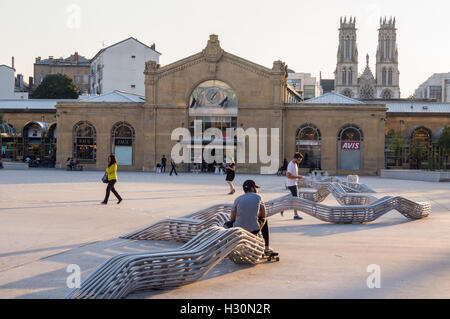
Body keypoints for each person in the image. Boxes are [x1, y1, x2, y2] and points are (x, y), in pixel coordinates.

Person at [227, 180, 275, 255]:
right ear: (252, 188)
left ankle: (227, 247)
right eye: (256, 188)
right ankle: (266, 247)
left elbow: (232, 218)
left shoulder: (238, 199)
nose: (257, 190)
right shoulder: (258, 197)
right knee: (265, 221)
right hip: (254, 230)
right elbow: (263, 215)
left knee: (227, 223)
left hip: (238, 230)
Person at [286, 152, 304, 220]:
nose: (300, 161)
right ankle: (295, 215)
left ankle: (295, 214)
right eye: (299, 160)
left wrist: (297, 178)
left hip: (293, 184)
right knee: (295, 199)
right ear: (296, 158)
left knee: (296, 199)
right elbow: (288, 175)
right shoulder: (291, 165)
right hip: (292, 184)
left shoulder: (295, 164)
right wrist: (297, 177)